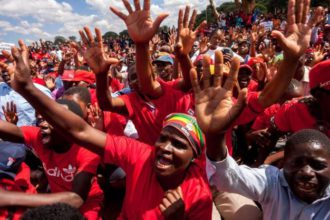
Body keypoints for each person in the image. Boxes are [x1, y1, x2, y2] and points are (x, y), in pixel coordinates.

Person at [1, 32, 213, 220]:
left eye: (178, 144)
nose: (165, 147)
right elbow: (80, 130)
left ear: (195, 158)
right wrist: (27, 88)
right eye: (163, 138)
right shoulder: (142, 154)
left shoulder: (199, 196)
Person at [0, 99, 103, 220]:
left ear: (71, 126)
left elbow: (76, 199)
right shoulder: (39, 137)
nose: (42, 124)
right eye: (41, 119)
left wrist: (8, 198)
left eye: (50, 120)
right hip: (56, 204)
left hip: (87, 207)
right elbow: (8, 131)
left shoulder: (86, 150)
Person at [0, 61, 52, 126]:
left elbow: (52, 116)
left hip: (35, 133)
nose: (5, 74)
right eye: (3, 71)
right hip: (9, 134)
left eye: (8, 70)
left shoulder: (40, 90)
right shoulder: (1, 89)